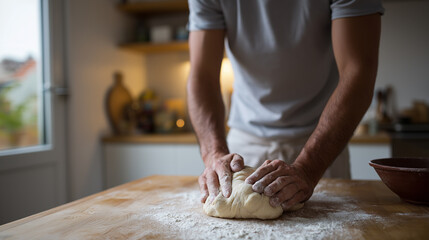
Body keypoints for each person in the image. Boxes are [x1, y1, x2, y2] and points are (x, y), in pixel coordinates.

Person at [186, 0, 384, 210]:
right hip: (244, 151)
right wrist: (214, 154)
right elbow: (202, 77)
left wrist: (308, 169)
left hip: (322, 148)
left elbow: (358, 72)